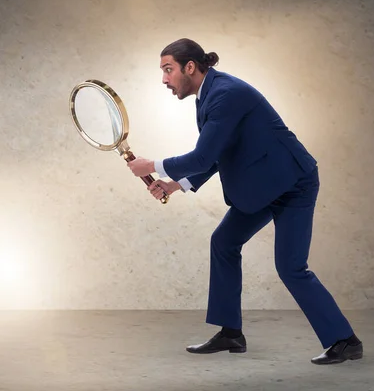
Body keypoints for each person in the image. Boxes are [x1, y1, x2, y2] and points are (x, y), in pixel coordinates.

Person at [127, 38, 362, 365]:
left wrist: (151, 166)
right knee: (223, 242)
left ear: (190, 67)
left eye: (168, 70)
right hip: (261, 186)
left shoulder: (226, 94)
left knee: (291, 267)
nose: (164, 79)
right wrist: (173, 185)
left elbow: (203, 155)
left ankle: (345, 340)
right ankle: (231, 334)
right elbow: (218, 153)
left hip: (293, 183)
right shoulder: (207, 96)